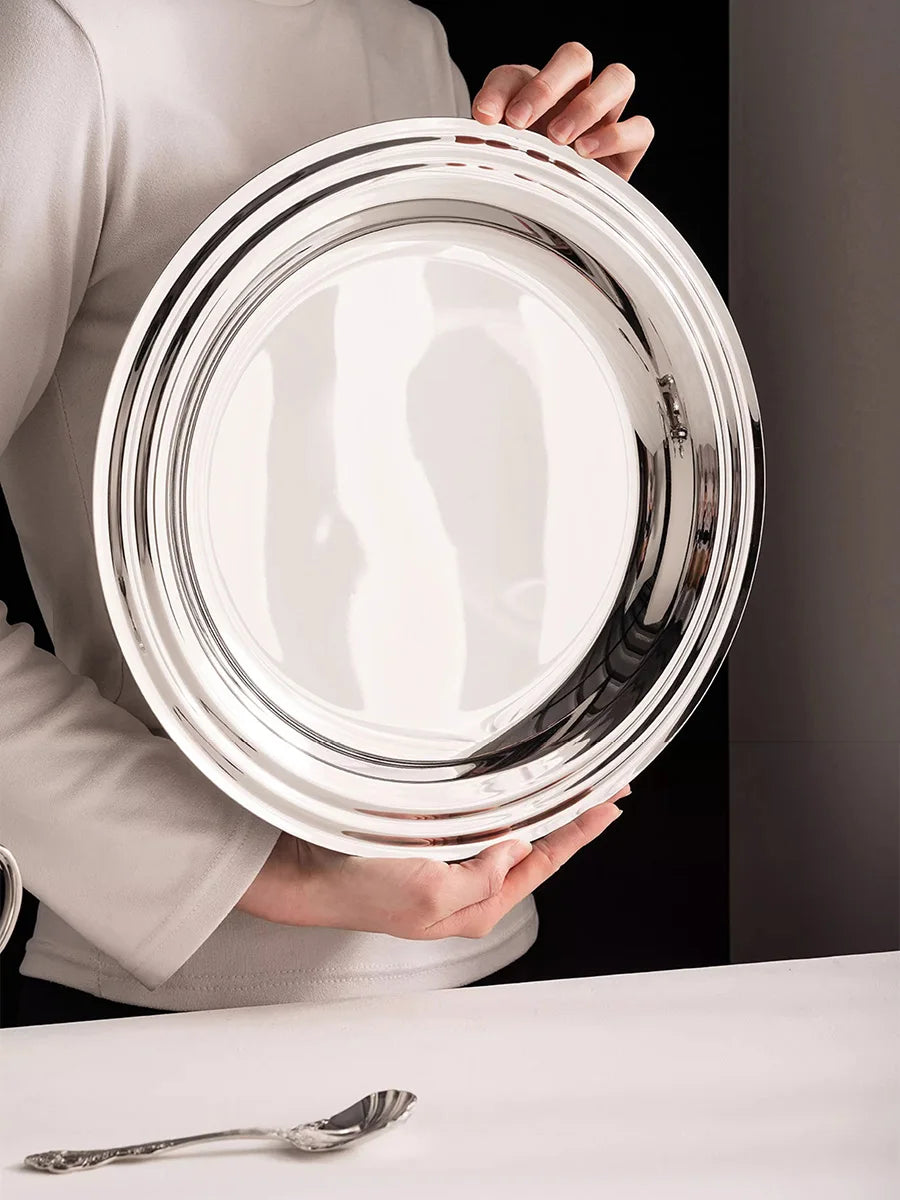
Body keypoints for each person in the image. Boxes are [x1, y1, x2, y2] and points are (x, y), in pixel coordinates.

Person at [0, 0, 652, 1024]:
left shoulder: (404, 37)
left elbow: (447, 490)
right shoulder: (68, 43)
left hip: (488, 947)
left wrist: (562, 244)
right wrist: (261, 870)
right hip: (183, 1001)